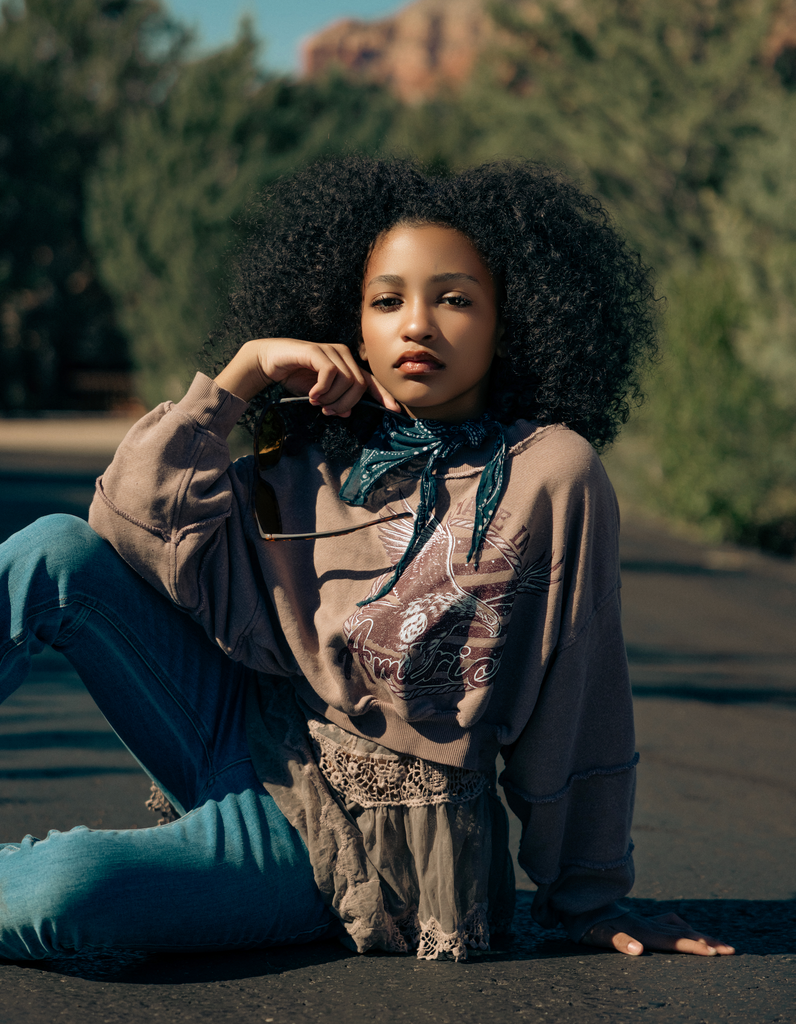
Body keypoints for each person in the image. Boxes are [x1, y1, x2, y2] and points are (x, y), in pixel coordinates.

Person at [0, 157, 734, 963]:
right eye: (387, 301)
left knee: (66, 890)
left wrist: (590, 898)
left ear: (510, 320)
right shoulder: (310, 443)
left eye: (454, 299)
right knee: (53, 548)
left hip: (346, 845)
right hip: (241, 732)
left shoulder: (551, 473)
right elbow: (131, 523)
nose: (416, 324)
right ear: (353, 321)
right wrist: (241, 377)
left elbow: (581, 692)